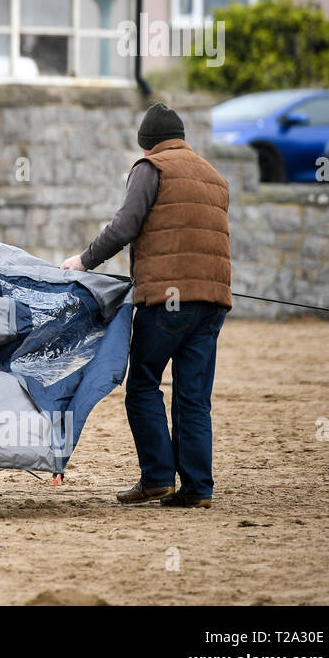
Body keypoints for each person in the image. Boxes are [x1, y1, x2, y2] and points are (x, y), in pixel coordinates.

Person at [60, 103, 231, 509]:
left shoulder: (151, 168)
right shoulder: (214, 176)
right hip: (213, 301)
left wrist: (83, 262)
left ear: (148, 146)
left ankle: (157, 479)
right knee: (193, 397)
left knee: (142, 385)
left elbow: (125, 225)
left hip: (167, 302)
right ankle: (197, 489)